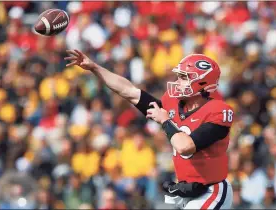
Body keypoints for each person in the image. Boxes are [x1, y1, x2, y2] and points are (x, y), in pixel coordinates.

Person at [64, 50, 234, 209]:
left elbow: (185, 146)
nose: (177, 82)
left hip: (212, 191)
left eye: (184, 77)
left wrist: (165, 120)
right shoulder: (171, 104)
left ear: (202, 82)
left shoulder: (218, 111)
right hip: (186, 190)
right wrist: (94, 67)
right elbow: (129, 91)